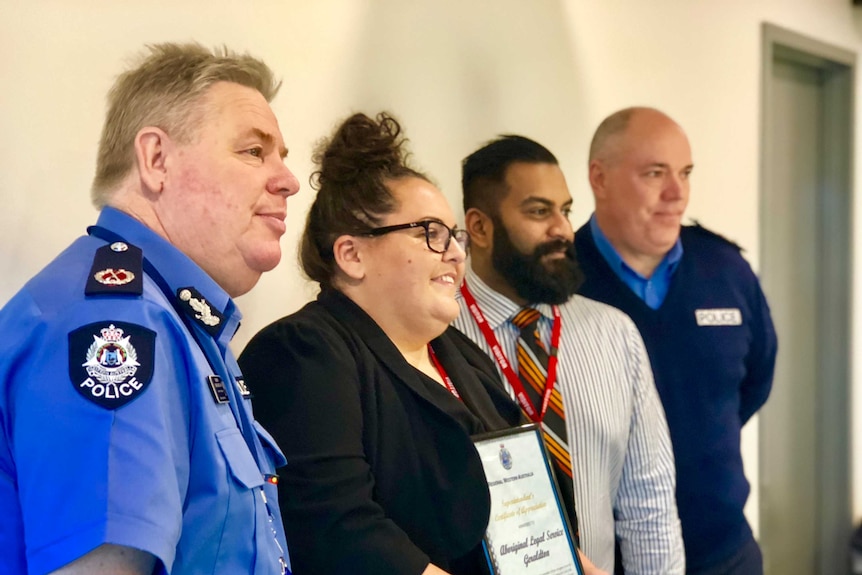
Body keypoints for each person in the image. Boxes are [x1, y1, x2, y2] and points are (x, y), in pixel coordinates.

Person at [0, 43, 300, 575]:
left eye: (281, 157)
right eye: (254, 152)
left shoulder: (183, 323)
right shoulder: (114, 325)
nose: (287, 180)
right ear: (157, 160)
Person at [238, 112, 531, 575]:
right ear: (352, 255)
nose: (455, 253)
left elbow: (524, 504)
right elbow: (337, 528)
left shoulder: (462, 355)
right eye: (430, 233)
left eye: (453, 236)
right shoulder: (303, 353)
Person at [453, 135, 685, 574]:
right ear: (479, 228)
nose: (562, 229)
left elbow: (648, 504)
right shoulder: (434, 333)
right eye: (539, 211)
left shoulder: (614, 335)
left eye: (565, 210)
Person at [574, 107, 777, 575]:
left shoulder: (725, 270)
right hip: (608, 561)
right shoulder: (561, 281)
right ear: (599, 179)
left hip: (725, 550)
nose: (676, 193)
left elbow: (756, 380)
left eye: (685, 173)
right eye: (654, 173)